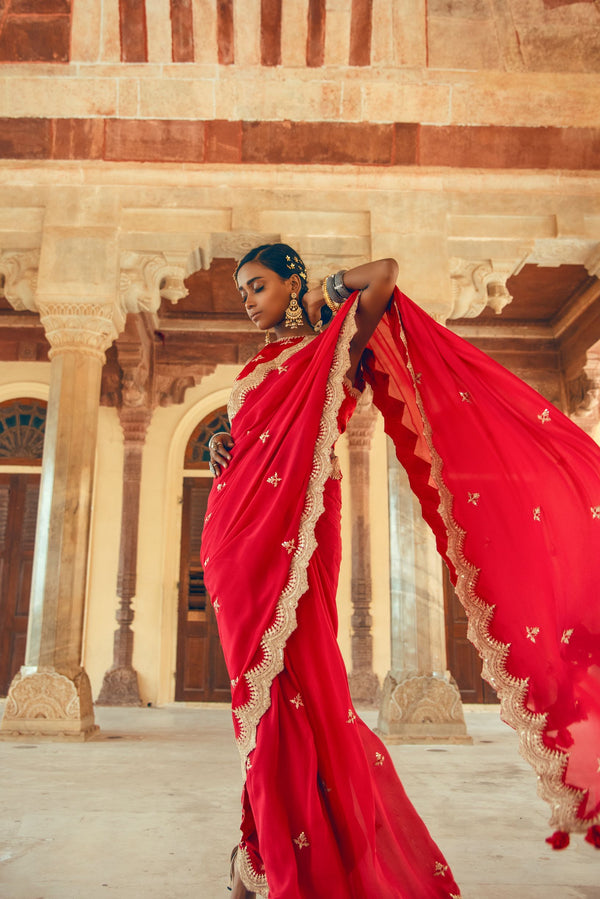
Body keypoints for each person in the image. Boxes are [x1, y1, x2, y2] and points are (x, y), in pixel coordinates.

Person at [202, 243, 600, 899]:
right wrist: (223, 439)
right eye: (243, 289)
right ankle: (261, 856)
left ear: (291, 281)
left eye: (259, 285)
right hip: (235, 549)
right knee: (261, 702)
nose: (248, 300)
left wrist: (323, 290)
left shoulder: (334, 343)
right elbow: (251, 432)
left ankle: (267, 863)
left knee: (291, 697)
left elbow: (383, 274)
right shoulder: (262, 364)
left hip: (293, 541)